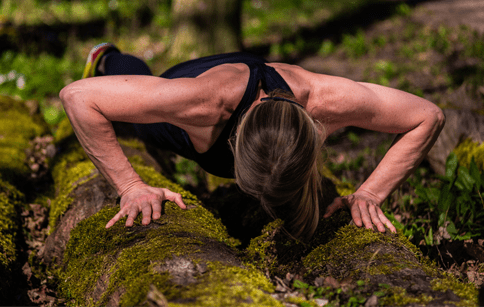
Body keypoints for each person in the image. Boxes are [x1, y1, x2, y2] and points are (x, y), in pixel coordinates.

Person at [59, 43, 445, 239]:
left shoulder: (328, 100)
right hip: (196, 84)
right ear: (233, 150)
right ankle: (109, 56)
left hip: (256, 74)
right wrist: (130, 186)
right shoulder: (195, 105)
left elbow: (427, 115)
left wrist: (371, 194)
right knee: (141, 118)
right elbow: (78, 97)